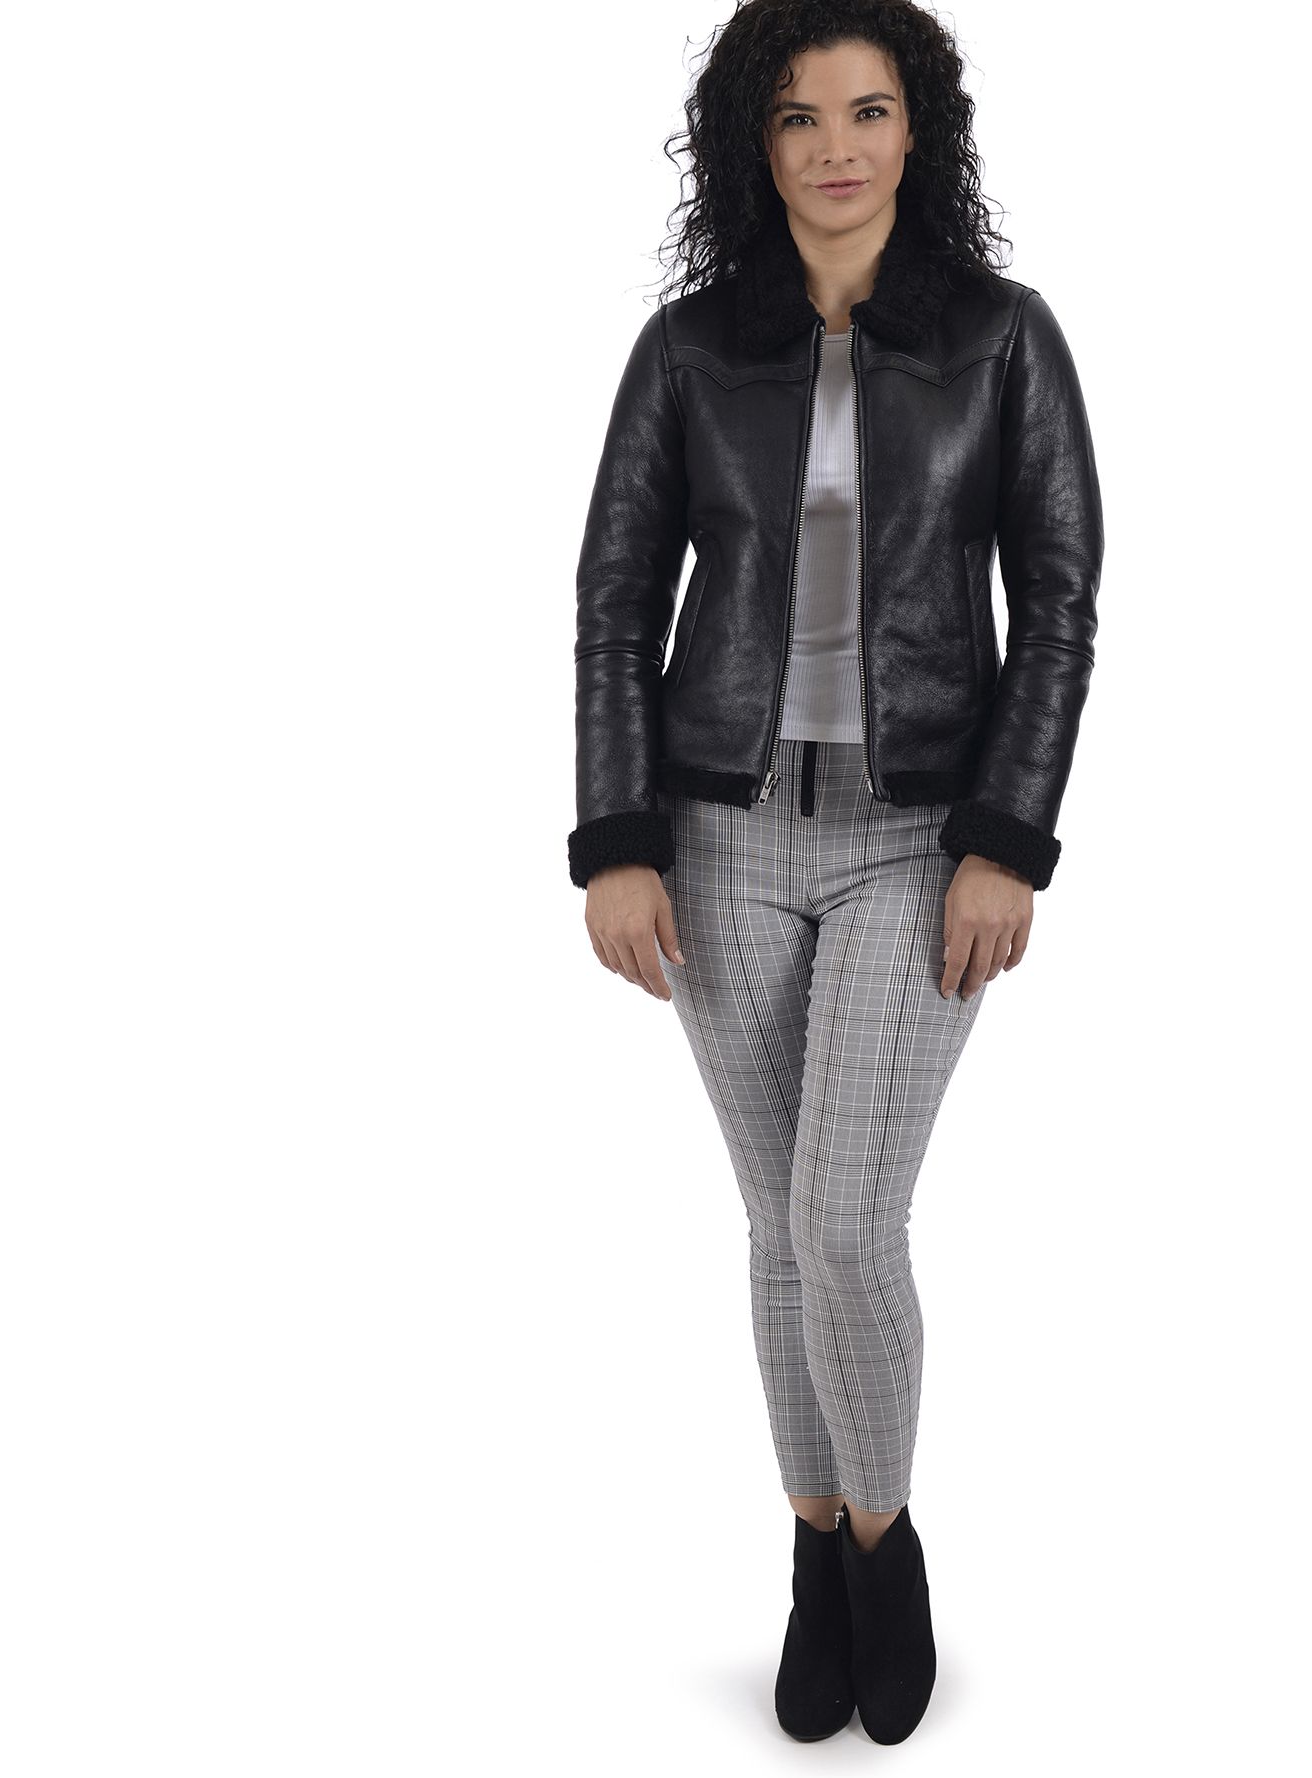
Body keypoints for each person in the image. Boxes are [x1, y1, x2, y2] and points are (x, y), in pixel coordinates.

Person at [565, 0, 1102, 1744]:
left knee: (844, 1217)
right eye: (799, 116)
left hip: (917, 837)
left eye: (868, 110)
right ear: (759, 144)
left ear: (918, 130)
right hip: (717, 833)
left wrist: (1005, 838)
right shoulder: (688, 349)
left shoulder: (1003, 338)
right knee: (776, 1224)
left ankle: (884, 1549)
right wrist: (617, 839)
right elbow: (614, 602)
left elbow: (1061, 603)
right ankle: (812, 1549)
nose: (836, 146)